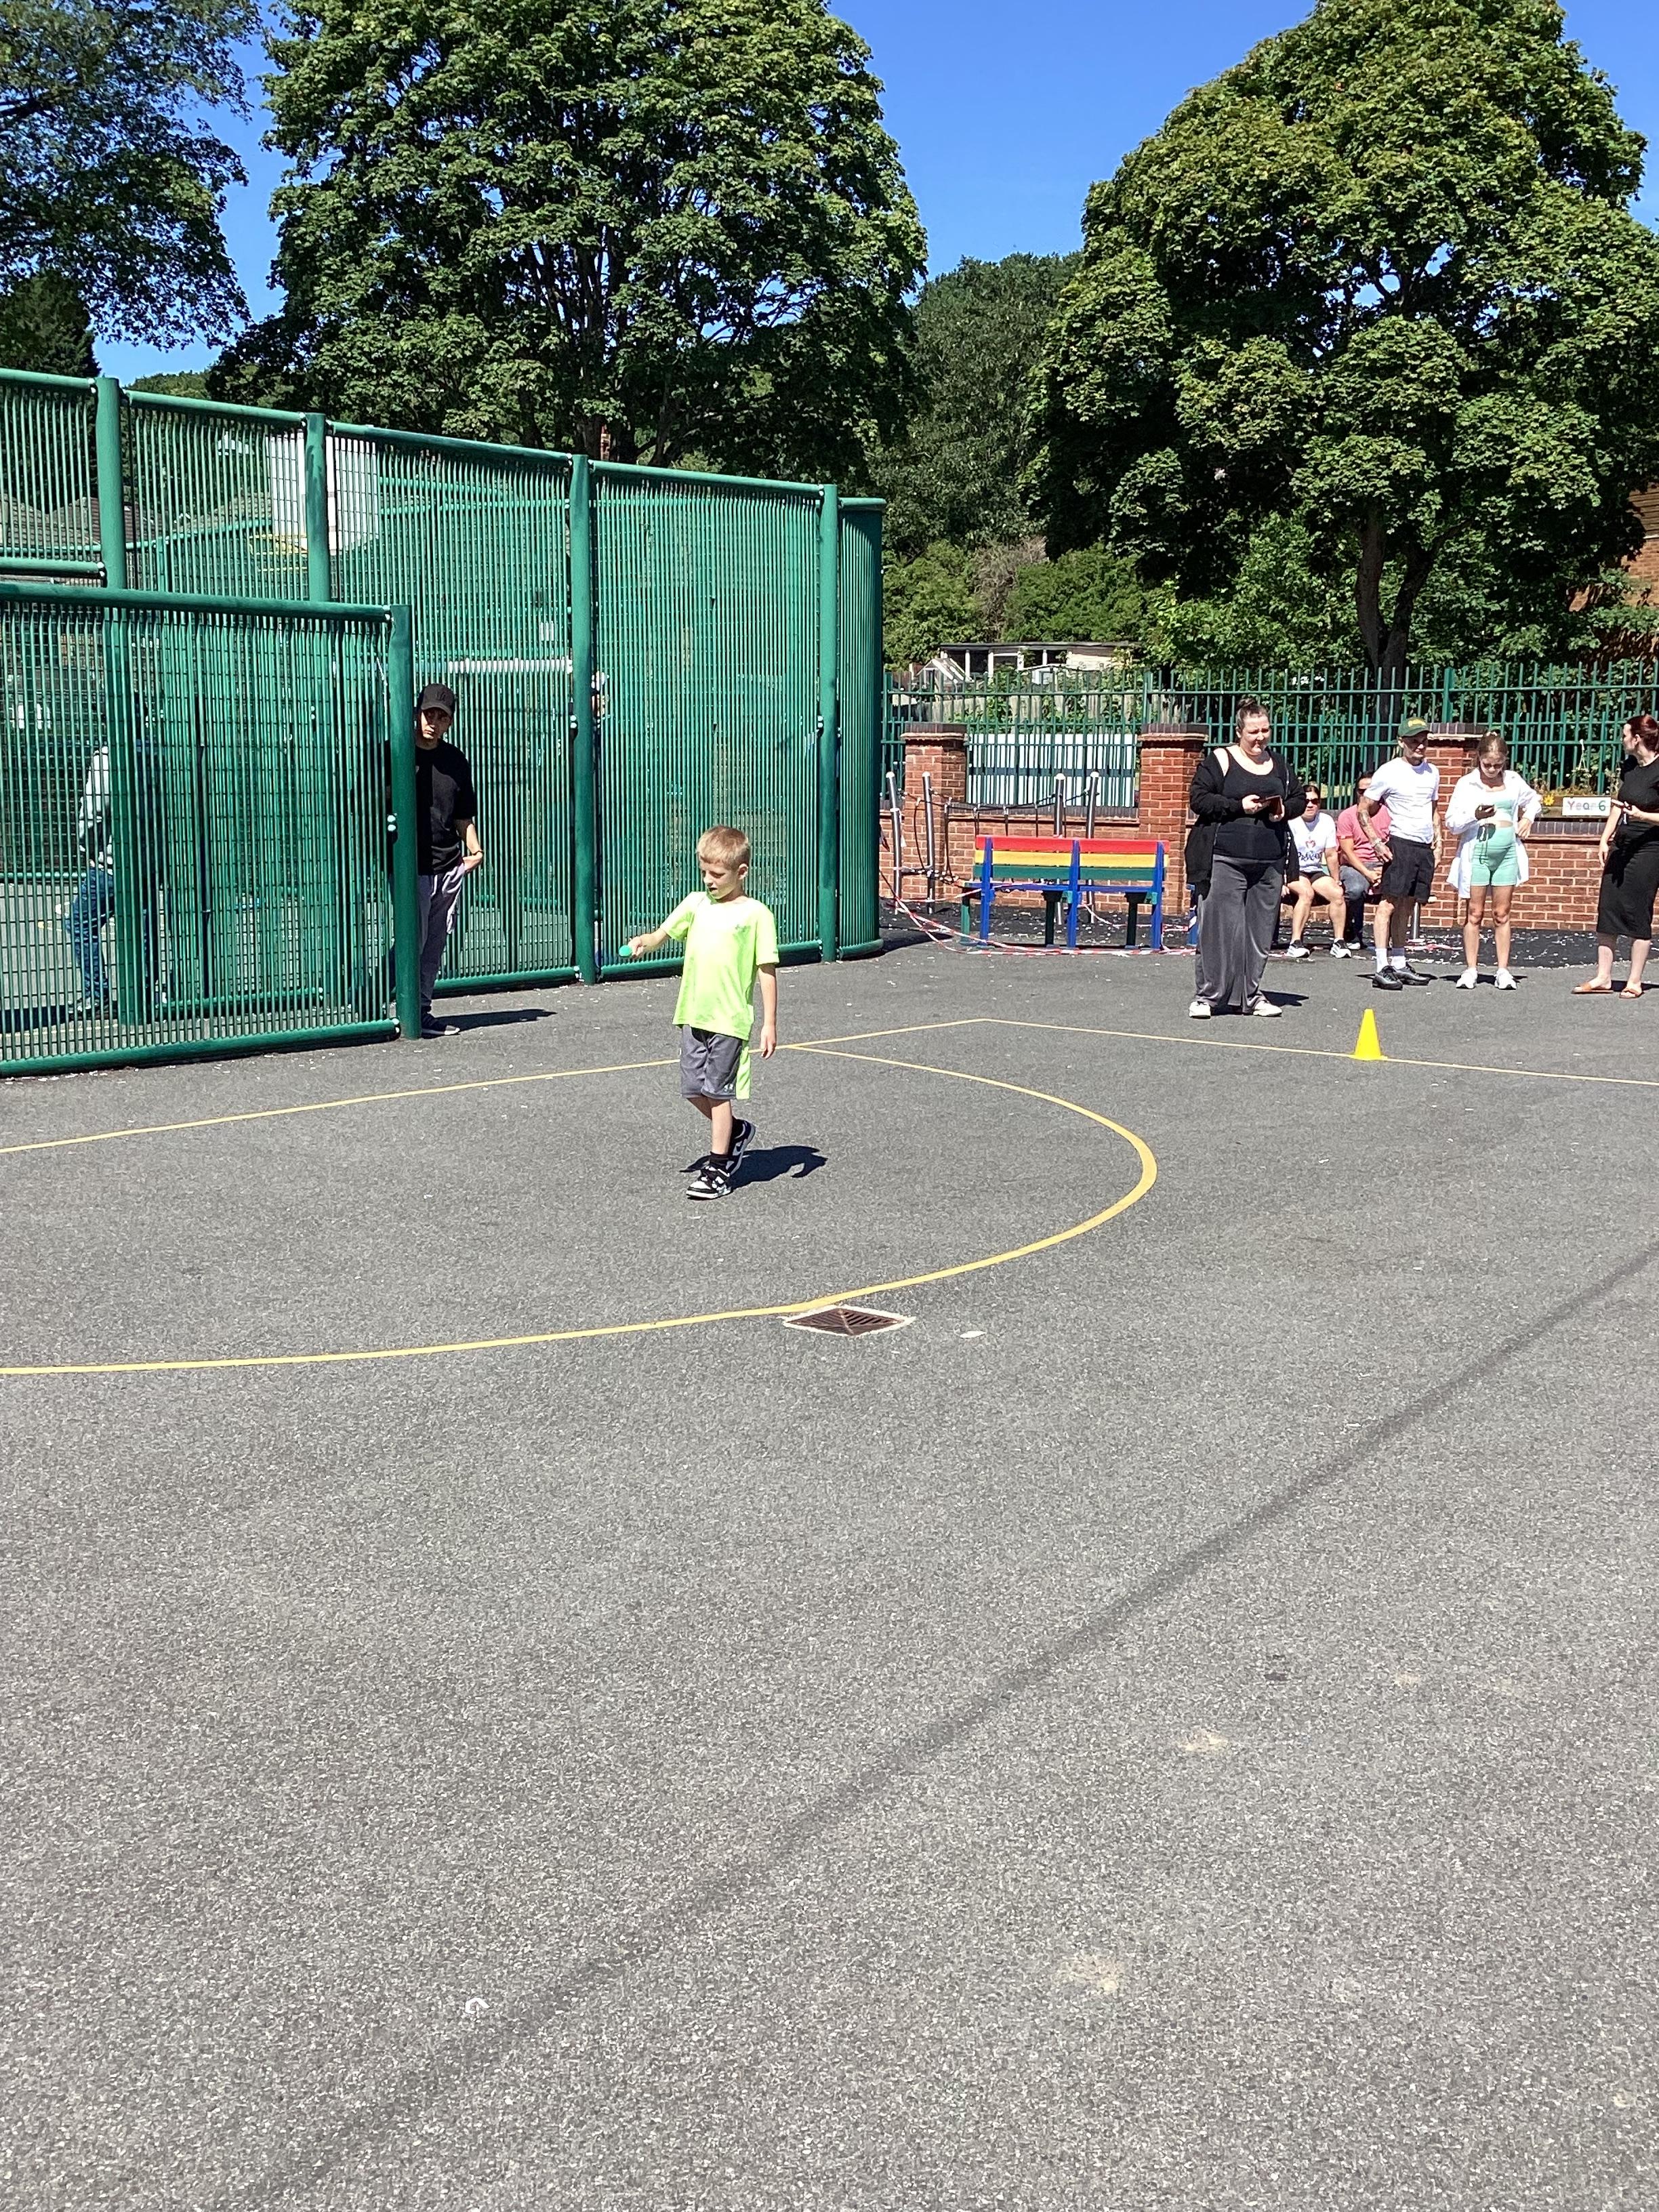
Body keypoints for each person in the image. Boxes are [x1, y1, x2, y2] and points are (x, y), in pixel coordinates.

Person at [623, 824, 779, 1198]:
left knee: (718, 1092)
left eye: (718, 874)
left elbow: (767, 971)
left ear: (741, 872)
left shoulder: (756, 915)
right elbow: (662, 934)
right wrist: (646, 941)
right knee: (693, 1089)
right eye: (704, 872)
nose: (709, 880)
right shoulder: (696, 904)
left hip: (730, 1020)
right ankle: (736, 1132)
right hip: (693, 1014)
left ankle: (718, 1168)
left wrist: (769, 1023)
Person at [1187, 699, 1307, 1017]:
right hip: (1225, 858)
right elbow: (1198, 799)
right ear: (1239, 731)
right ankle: (1208, 997)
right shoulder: (1220, 760)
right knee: (1219, 930)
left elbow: (1298, 798)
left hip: (1269, 861)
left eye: (1265, 730)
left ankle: (1251, 996)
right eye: (1253, 732)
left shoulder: (1279, 764)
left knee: (1259, 933)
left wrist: (1284, 810)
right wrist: (1239, 806)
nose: (1260, 737)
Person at [411, 682, 482, 1039]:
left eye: (442, 717)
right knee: (415, 936)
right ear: (417, 713)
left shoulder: (455, 760)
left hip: (448, 863)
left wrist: (476, 851)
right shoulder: (396, 754)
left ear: (450, 722)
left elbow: (463, 816)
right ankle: (382, 998)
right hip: (411, 866)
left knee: (433, 943)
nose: (434, 722)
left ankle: (421, 1010)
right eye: (429, 714)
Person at [1443, 735, 1542, 989]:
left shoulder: (1513, 780)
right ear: (1479, 758)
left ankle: (1503, 970)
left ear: (1504, 761)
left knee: (1502, 913)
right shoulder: (1467, 784)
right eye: (1487, 764)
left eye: (1497, 765)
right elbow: (1452, 823)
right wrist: (1474, 815)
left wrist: (1528, 818)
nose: (1492, 769)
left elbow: (1534, 800)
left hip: (1507, 852)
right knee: (1474, 913)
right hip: (1478, 852)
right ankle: (1471, 969)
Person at [1576, 712, 1659, 998]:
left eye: (1625, 735)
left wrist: (1643, 816)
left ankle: (1634, 981)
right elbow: (1619, 804)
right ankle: (1603, 977)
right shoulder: (1630, 766)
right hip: (1622, 845)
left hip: (1650, 847)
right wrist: (1604, 837)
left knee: (1638, 909)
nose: (1622, 740)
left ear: (1637, 738)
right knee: (1608, 906)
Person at [1359, 717, 1441, 990]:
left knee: (1407, 904)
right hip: (1401, 843)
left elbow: (1433, 810)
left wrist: (1439, 842)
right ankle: (1381, 966)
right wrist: (1376, 842)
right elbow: (1363, 810)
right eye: (1414, 741)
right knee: (1389, 904)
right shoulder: (1389, 771)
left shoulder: (1433, 772)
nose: (1420, 746)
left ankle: (1399, 961)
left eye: (1424, 741)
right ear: (1401, 742)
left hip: (1423, 846)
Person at [64, 745, 115, 1007]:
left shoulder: (107, 758)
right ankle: (145, 992)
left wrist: (88, 848)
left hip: (112, 863)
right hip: (150, 863)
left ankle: (96, 994)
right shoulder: (160, 753)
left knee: (80, 923)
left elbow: (94, 813)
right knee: (143, 928)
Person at [1282, 783, 1351, 957]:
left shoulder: (1326, 821)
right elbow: (1280, 853)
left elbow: (1331, 854)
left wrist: (1336, 880)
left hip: (1315, 870)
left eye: (1315, 801)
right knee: (1307, 893)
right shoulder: (1290, 821)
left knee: (1337, 893)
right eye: (1306, 801)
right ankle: (1295, 942)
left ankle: (1339, 941)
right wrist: (1282, 880)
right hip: (1293, 869)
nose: (1310, 805)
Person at [1335, 774, 1389, 951]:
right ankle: (1352, 932)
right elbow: (1347, 853)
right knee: (1356, 889)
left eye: (1370, 790)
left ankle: (1390, 938)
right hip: (1355, 864)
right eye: (1361, 791)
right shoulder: (1347, 816)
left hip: (1383, 864)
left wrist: (1384, 871)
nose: (1365, 795)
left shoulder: (1390, 814)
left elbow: (1395, 846)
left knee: (1397, 888)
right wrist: (1368, 874)